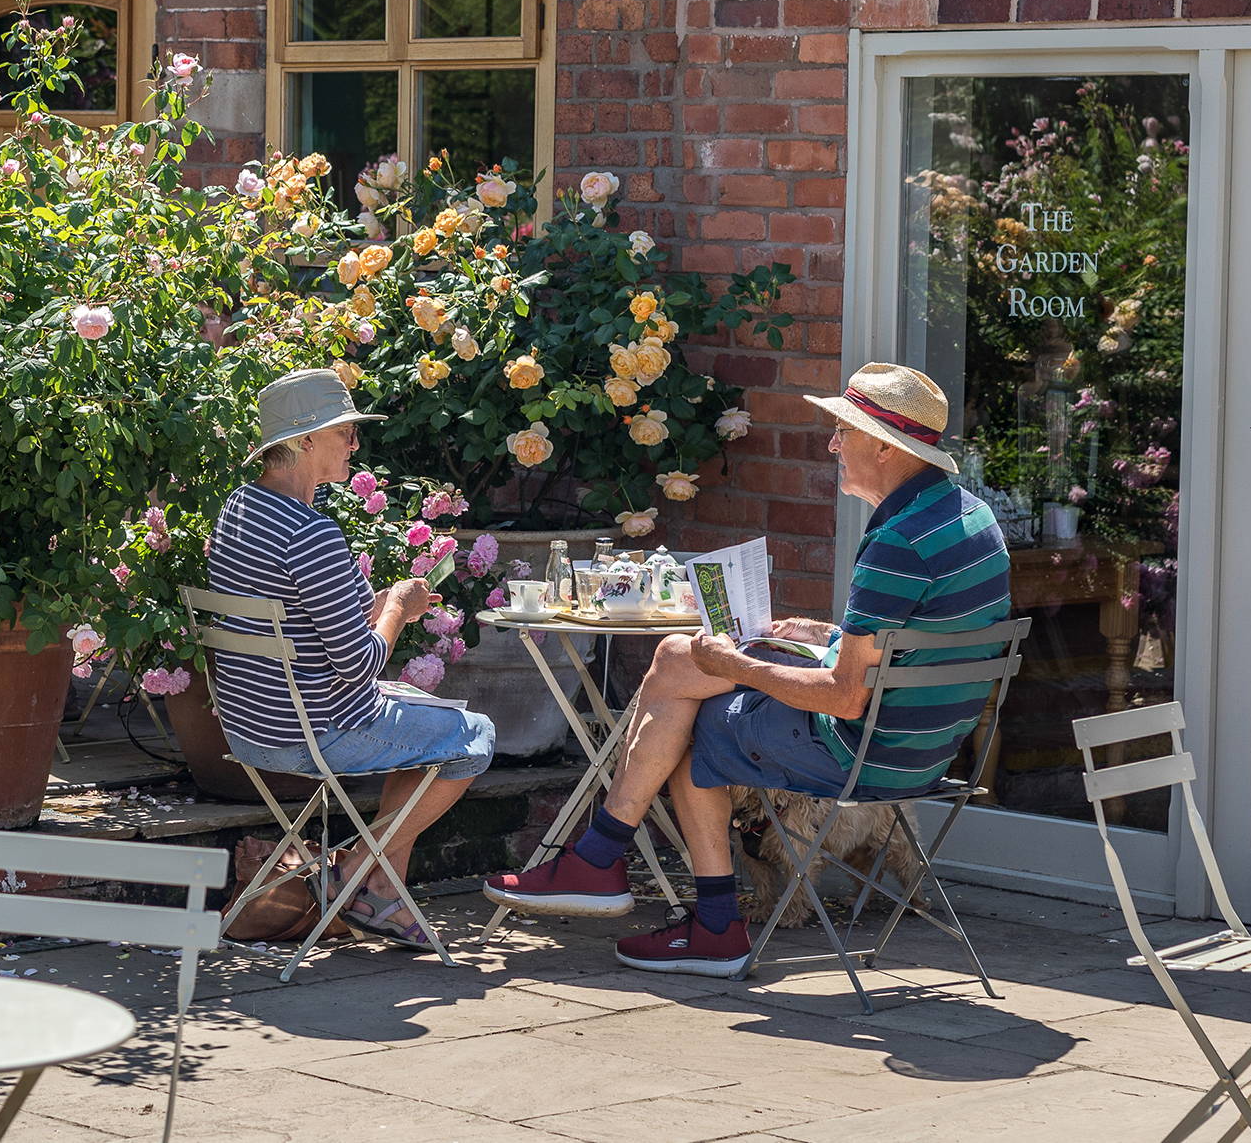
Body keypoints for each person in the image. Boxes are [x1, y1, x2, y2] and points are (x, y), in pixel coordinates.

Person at [485, 363, 1012, 977]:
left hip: (865, 752)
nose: (834, 444)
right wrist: (826, 635)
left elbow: (844, 699)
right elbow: (922, 643)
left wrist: (739, 665)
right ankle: (608, 866)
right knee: (680, 661)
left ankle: (671, 901)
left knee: (688, 718)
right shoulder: (970, 518)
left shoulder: (897, 541)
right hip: (925, 748)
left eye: (845, 431)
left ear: (886, 447)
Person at [205, 368, 495, 951]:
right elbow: (360, 666)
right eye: (348, 432)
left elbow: (300, 616)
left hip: (250, 727)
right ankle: (359, 870)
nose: (356, 445)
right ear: (306, 440)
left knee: (427, 727)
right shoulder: (310, 532)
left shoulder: (239, 509)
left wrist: (377, 604)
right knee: (474, 737)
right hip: (314, 730)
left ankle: (381, 893)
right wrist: (398, 613)